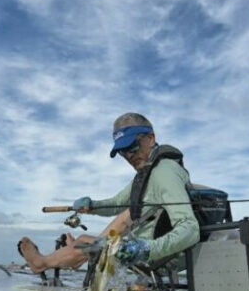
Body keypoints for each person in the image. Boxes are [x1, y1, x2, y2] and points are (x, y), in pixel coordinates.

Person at [18, 112, 199, 274]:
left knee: (84, 242)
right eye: (122, 152)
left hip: (161, 258)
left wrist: (144, 249)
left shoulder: (164, 172)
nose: (129, 156)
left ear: (150, 139)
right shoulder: (148, 173)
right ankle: (73, 259)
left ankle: (41, 263)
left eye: (132, 147)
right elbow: (116, 203)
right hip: (150, 255)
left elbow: (190, 229)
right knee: (110, 225)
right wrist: (92, 206)